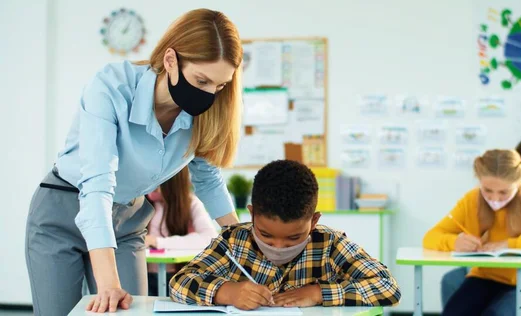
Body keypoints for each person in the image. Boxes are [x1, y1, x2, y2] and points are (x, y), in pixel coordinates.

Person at [25, 9, 242, 315]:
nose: (209, 95)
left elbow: (208, 179)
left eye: (219, 87)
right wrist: (109, 282)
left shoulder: (206, 115)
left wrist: (243, 244)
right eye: (202, 80)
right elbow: (98, 184)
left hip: (126, 219)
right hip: (63, 211)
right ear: (171, 61)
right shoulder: (112, 87)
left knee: (130, 313)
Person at [169, 160, 402, 310]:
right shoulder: (234, 241)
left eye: (293, 238)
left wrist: (318, 292)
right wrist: (227, 292)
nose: (278, 247)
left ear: (314, 221)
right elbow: (179, 283)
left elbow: (388, 286)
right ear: (252, 215)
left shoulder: (331, 245)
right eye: (265, 235)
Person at [424, 150, 521, 316]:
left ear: (518, 183)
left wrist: (510, 244)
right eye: (487, 190)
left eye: (504, 192)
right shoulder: (471, 200)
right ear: (479, 180)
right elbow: (431, 237)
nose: (495, 198)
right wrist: (454, 242)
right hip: (483, 279)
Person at [145, 167, 218, 296]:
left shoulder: (191, 203)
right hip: (144, 275)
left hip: (177, 277)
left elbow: (209, 238)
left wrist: (157, 242)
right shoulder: (143, 203)